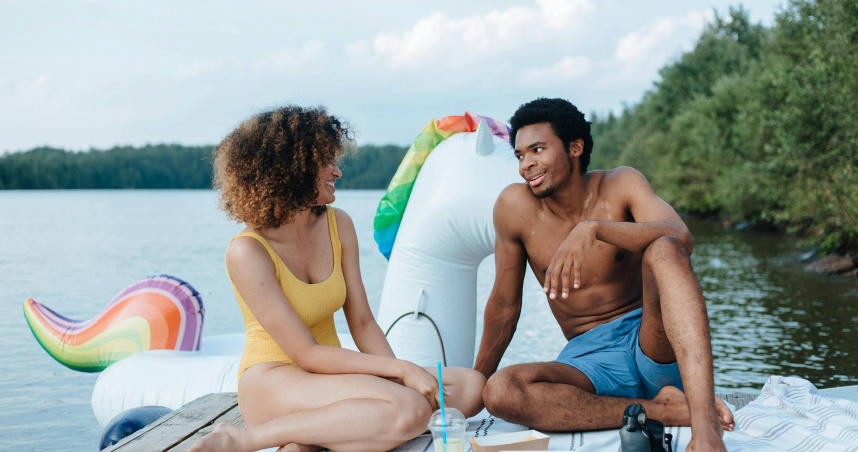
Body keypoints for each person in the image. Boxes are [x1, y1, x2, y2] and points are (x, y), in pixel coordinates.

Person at [190, 106, 486, 452]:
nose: (338, 171)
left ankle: (314, 440)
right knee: (410, 410)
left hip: (330, 375)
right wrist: (402, 373)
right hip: (274, 380)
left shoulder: (338, 224)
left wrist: (396, 376)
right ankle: (245, 438)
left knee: (470, 386)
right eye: (325, 162)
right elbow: (307, 353)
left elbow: (362, 322)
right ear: (291, 169)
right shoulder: (248, 252)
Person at [474, 98, 734, 452]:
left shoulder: (621, 184)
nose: (527, 165)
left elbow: (681, 237)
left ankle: (706, 432)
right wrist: (478, 383)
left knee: (664, 247)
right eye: (520, 155)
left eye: (537, 149)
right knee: (501, 392)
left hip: (652, 340)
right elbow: (504, 307)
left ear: (575, 147)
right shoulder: (513, 208)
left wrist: (594, 229)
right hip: (590, 361)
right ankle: (666, 410)